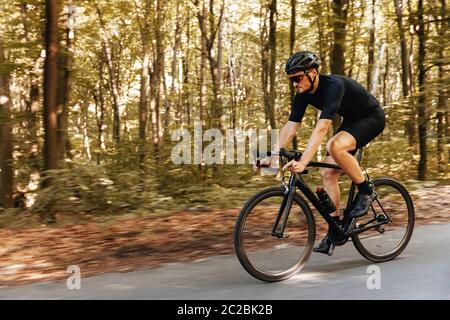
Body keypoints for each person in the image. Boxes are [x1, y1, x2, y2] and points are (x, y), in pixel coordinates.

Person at [264, 51, 385, 255]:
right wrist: (272, 155)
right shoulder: (302, 94)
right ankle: (335, 230)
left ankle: (366, 191)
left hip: (371, 117)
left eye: (297, 78)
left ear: (312, 72)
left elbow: (321, 128)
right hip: (352, 121)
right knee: (328, 174)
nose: (294, 84)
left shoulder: (333, 86)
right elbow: (291, 127)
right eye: (291, 80)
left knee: (334, 145)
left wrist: (303, 161)